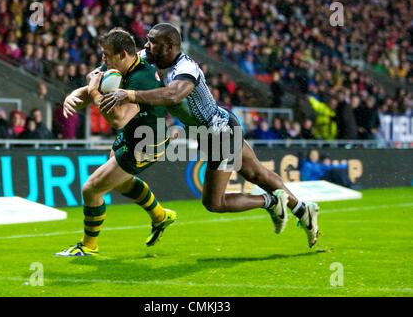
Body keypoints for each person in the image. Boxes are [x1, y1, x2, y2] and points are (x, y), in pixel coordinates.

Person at [101, 23, 320, 247]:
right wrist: (96, 76)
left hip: (220, 135)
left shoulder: (186, 68)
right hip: (214, 130)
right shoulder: (150, 55)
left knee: (214, 202)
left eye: (152, 41)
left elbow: (174, 95)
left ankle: (271, 201)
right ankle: (304, 211)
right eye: (147, 39)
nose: (146, 45)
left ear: (168, 47)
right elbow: (121, 63)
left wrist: (129, 94)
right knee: (257, 174)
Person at [56, 28, 176, 256]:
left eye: (107, 55)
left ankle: (88, 246)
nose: (103, 59)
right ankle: (161, 216)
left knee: (91, 189)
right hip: (132, 135)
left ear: (122, 54)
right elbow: (94, 82)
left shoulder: (142, 78)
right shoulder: (118, 66)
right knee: (121, 183)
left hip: (147, 143)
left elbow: (118, 119)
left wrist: (92, 94)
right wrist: (74, 95)